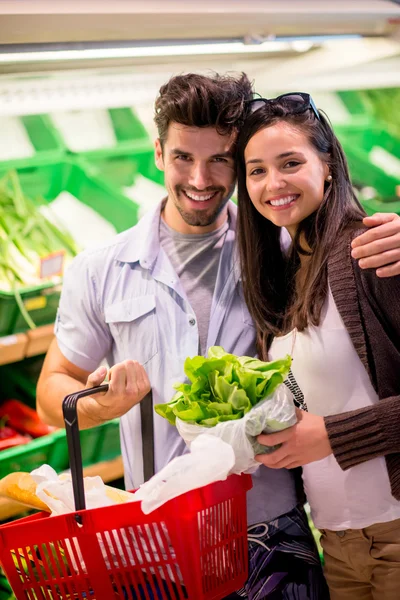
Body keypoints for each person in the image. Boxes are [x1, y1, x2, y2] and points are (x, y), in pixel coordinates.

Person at [36, 74, 400, 599]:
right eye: (184, 157)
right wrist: (98, 406)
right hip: (159, 537)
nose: (200, 178)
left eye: (221, 161)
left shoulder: (284, 247)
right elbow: (56, 387)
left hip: (275, 526)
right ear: (159, 153)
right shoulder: (99, 269)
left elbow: (350, 248)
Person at [234, 92, 400, 600]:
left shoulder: (371, 252)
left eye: (290, 163)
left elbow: (326, 427)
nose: (273, 184)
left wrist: (333, 435)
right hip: (338, 543)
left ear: (327, 166)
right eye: (256, 170)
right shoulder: (281, 275)